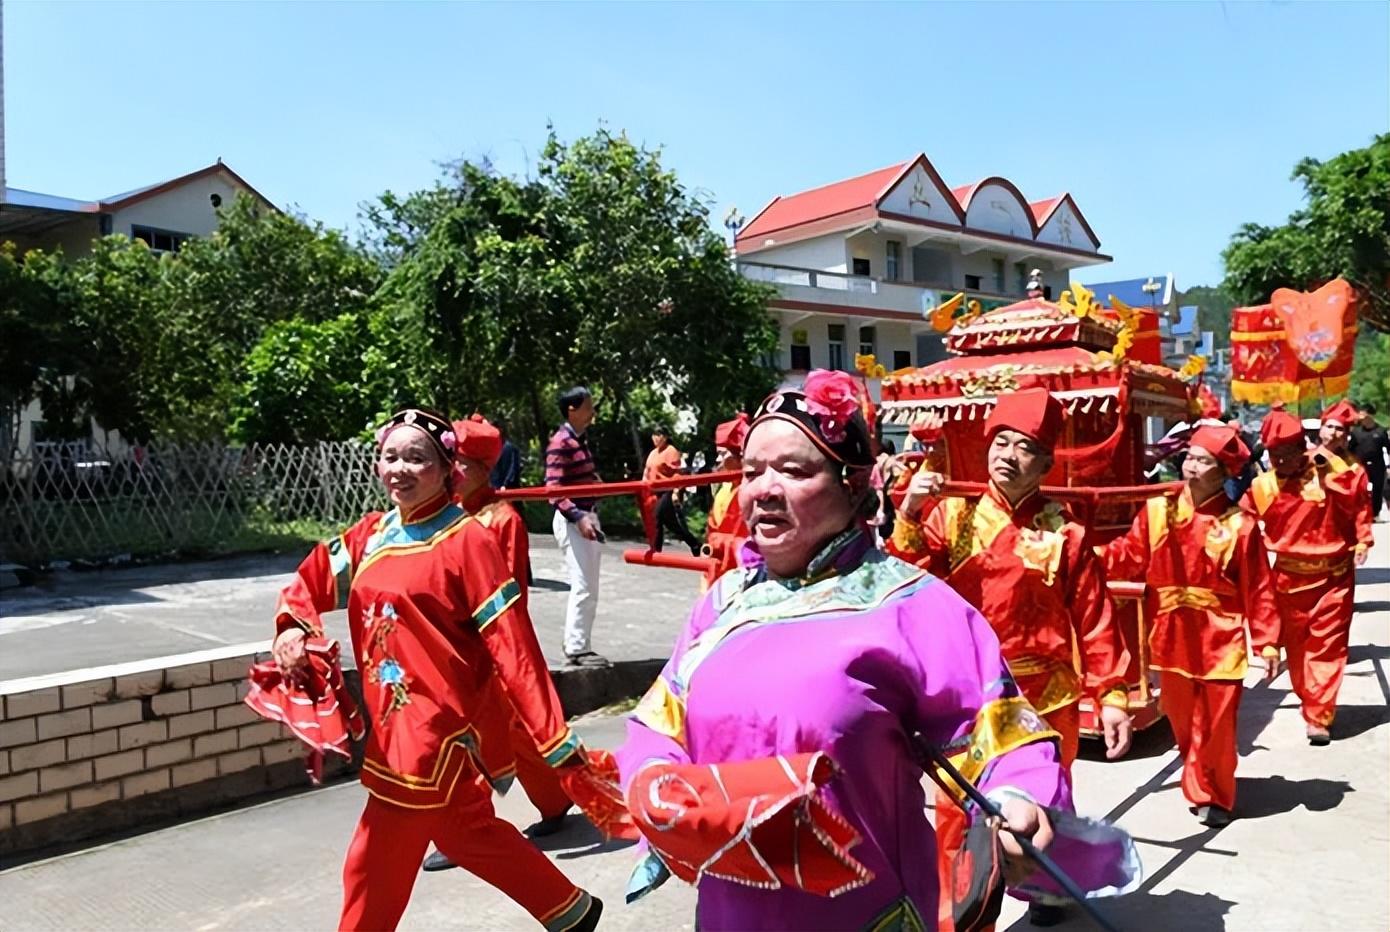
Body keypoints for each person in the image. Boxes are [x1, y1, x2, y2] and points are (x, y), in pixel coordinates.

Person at [616, 371, 1137, 931]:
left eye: (793, 470)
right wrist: (651, 778)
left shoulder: (909, 606)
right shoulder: (720, 604)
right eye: (751, 472)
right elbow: (659, 719)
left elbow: (999, 730)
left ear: (852, 483)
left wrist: (1020, 795)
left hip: (862, 910)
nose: (762, 489)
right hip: (733, 909)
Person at [270, 407, 601, 932]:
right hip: (390, 716)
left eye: (416, 458)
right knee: (465, 831)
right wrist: (291, 625)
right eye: (390, 457)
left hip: (436, 728)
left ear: (448, 468)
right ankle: (570, 909)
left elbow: (511, 642)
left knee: (372, 856)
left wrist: (551, 735)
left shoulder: (469, 540)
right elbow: (308, 581)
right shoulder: (371, 535)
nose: (399, 469)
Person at [887, 388, 1133, 928]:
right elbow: (900, 580)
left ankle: (1046, 888)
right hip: (969, 700)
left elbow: (1094, 616)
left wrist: (1112, 694)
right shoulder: (953, 519)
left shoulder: (1064, 532)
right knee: (961, 815)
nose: (1007, 455)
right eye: (1000, 441)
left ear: (1044, 462)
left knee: (1043, 807)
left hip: (1047, 700)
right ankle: (961, 916)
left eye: (1024, 447)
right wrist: (907, 513)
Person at [420, 415, 578, 875]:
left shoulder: (503, 519)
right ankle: (555, 799)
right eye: (453, 462)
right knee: (505, 733)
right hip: (452, 643)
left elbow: (504, 593)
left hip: (492, 645)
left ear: (484, 469)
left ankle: (469, 830)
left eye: (464, 464)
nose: (456, 472)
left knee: (491, 732)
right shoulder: (447, 515)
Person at [1102, 425, 1281, 826]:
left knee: (1218, 722)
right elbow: (1127, 555)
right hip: (1170, 635)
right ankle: (1198, 776)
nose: (1191, 466)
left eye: (1203, 461)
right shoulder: (1157, 512)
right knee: (1184, 721)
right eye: (1189, 457)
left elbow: (1259, 586)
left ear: (1223, 472)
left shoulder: (1241, 525)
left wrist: (1267, 641)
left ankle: (1214, 794)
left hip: (1222, 636)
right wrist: (1085, 555)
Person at [1242, 406, 1369, 745]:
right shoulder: (1263, 486)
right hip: (1286, 578)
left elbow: (1356, 502)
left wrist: (1362, 537)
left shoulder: (1329, 472)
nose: (1281, 461)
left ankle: (1319, 713)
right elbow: (1239, 524)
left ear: (1303, 448)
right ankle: (1309, 697)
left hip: (1334, 578)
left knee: (1327, 647)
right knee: (1297, 652)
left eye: (1287, 453)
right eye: (1274, 455)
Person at [545, 386, 608, 667]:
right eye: (588, 406)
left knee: (590, 585)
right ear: (572, 409)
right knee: (583, 584)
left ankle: (579, 641)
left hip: (587, 514)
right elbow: (553, 489)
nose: (592, 411)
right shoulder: (562, 442)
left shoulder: (579, 440)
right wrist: (578, 517)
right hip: (575, 519)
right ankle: (577, 647)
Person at [700, 412, 750, 588]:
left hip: (736, 571)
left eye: (722, 454)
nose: (718, 460)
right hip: (716, 563)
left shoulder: (747, 491)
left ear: (739, 457)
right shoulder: (725, 488)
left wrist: (718, 542)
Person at [644, 425, 701, 556]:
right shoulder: (653, 453)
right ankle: (695, 544)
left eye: (659, 435)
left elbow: (678, 473)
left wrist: (676, 492)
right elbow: (647, 471)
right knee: (671, 524)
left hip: (668, 489)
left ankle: (655, 549)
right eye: (654, 435)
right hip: (655, 490)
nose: (655, 438)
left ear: (665, 437)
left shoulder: (671, 451)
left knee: (657, 517)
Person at [1349, 402, 1388, 520]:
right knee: (1360, 489)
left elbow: (1388, 448)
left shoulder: (1381, 431)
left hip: (1377, 465)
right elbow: (1350, 449)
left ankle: (1375, 514)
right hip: (1361, 465)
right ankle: (1360, 513)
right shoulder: (1356, 432)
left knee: (1378, 489)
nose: (1362, 420)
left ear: (1371, 416)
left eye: (1365, 417)